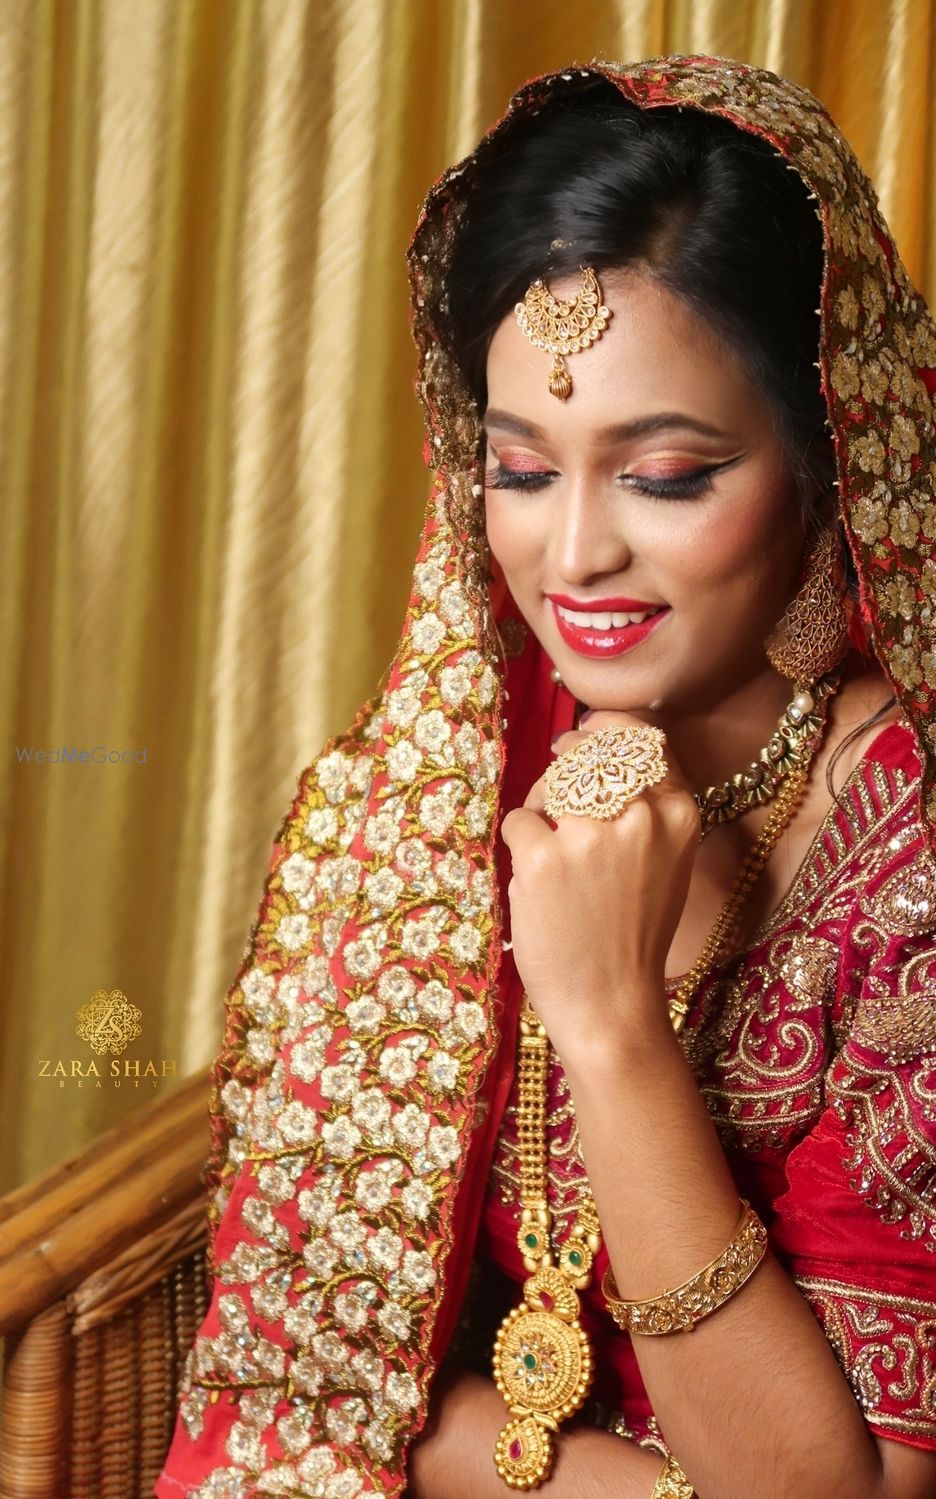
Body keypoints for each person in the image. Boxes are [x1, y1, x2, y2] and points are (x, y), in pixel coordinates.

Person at [153, 55, 936, 1499]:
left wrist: (610, 1024)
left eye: (665, 474)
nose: (572, 558)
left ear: (828, 462)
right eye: (521, 470)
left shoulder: (908, 869)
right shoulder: (434, 786)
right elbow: (293, 1377)